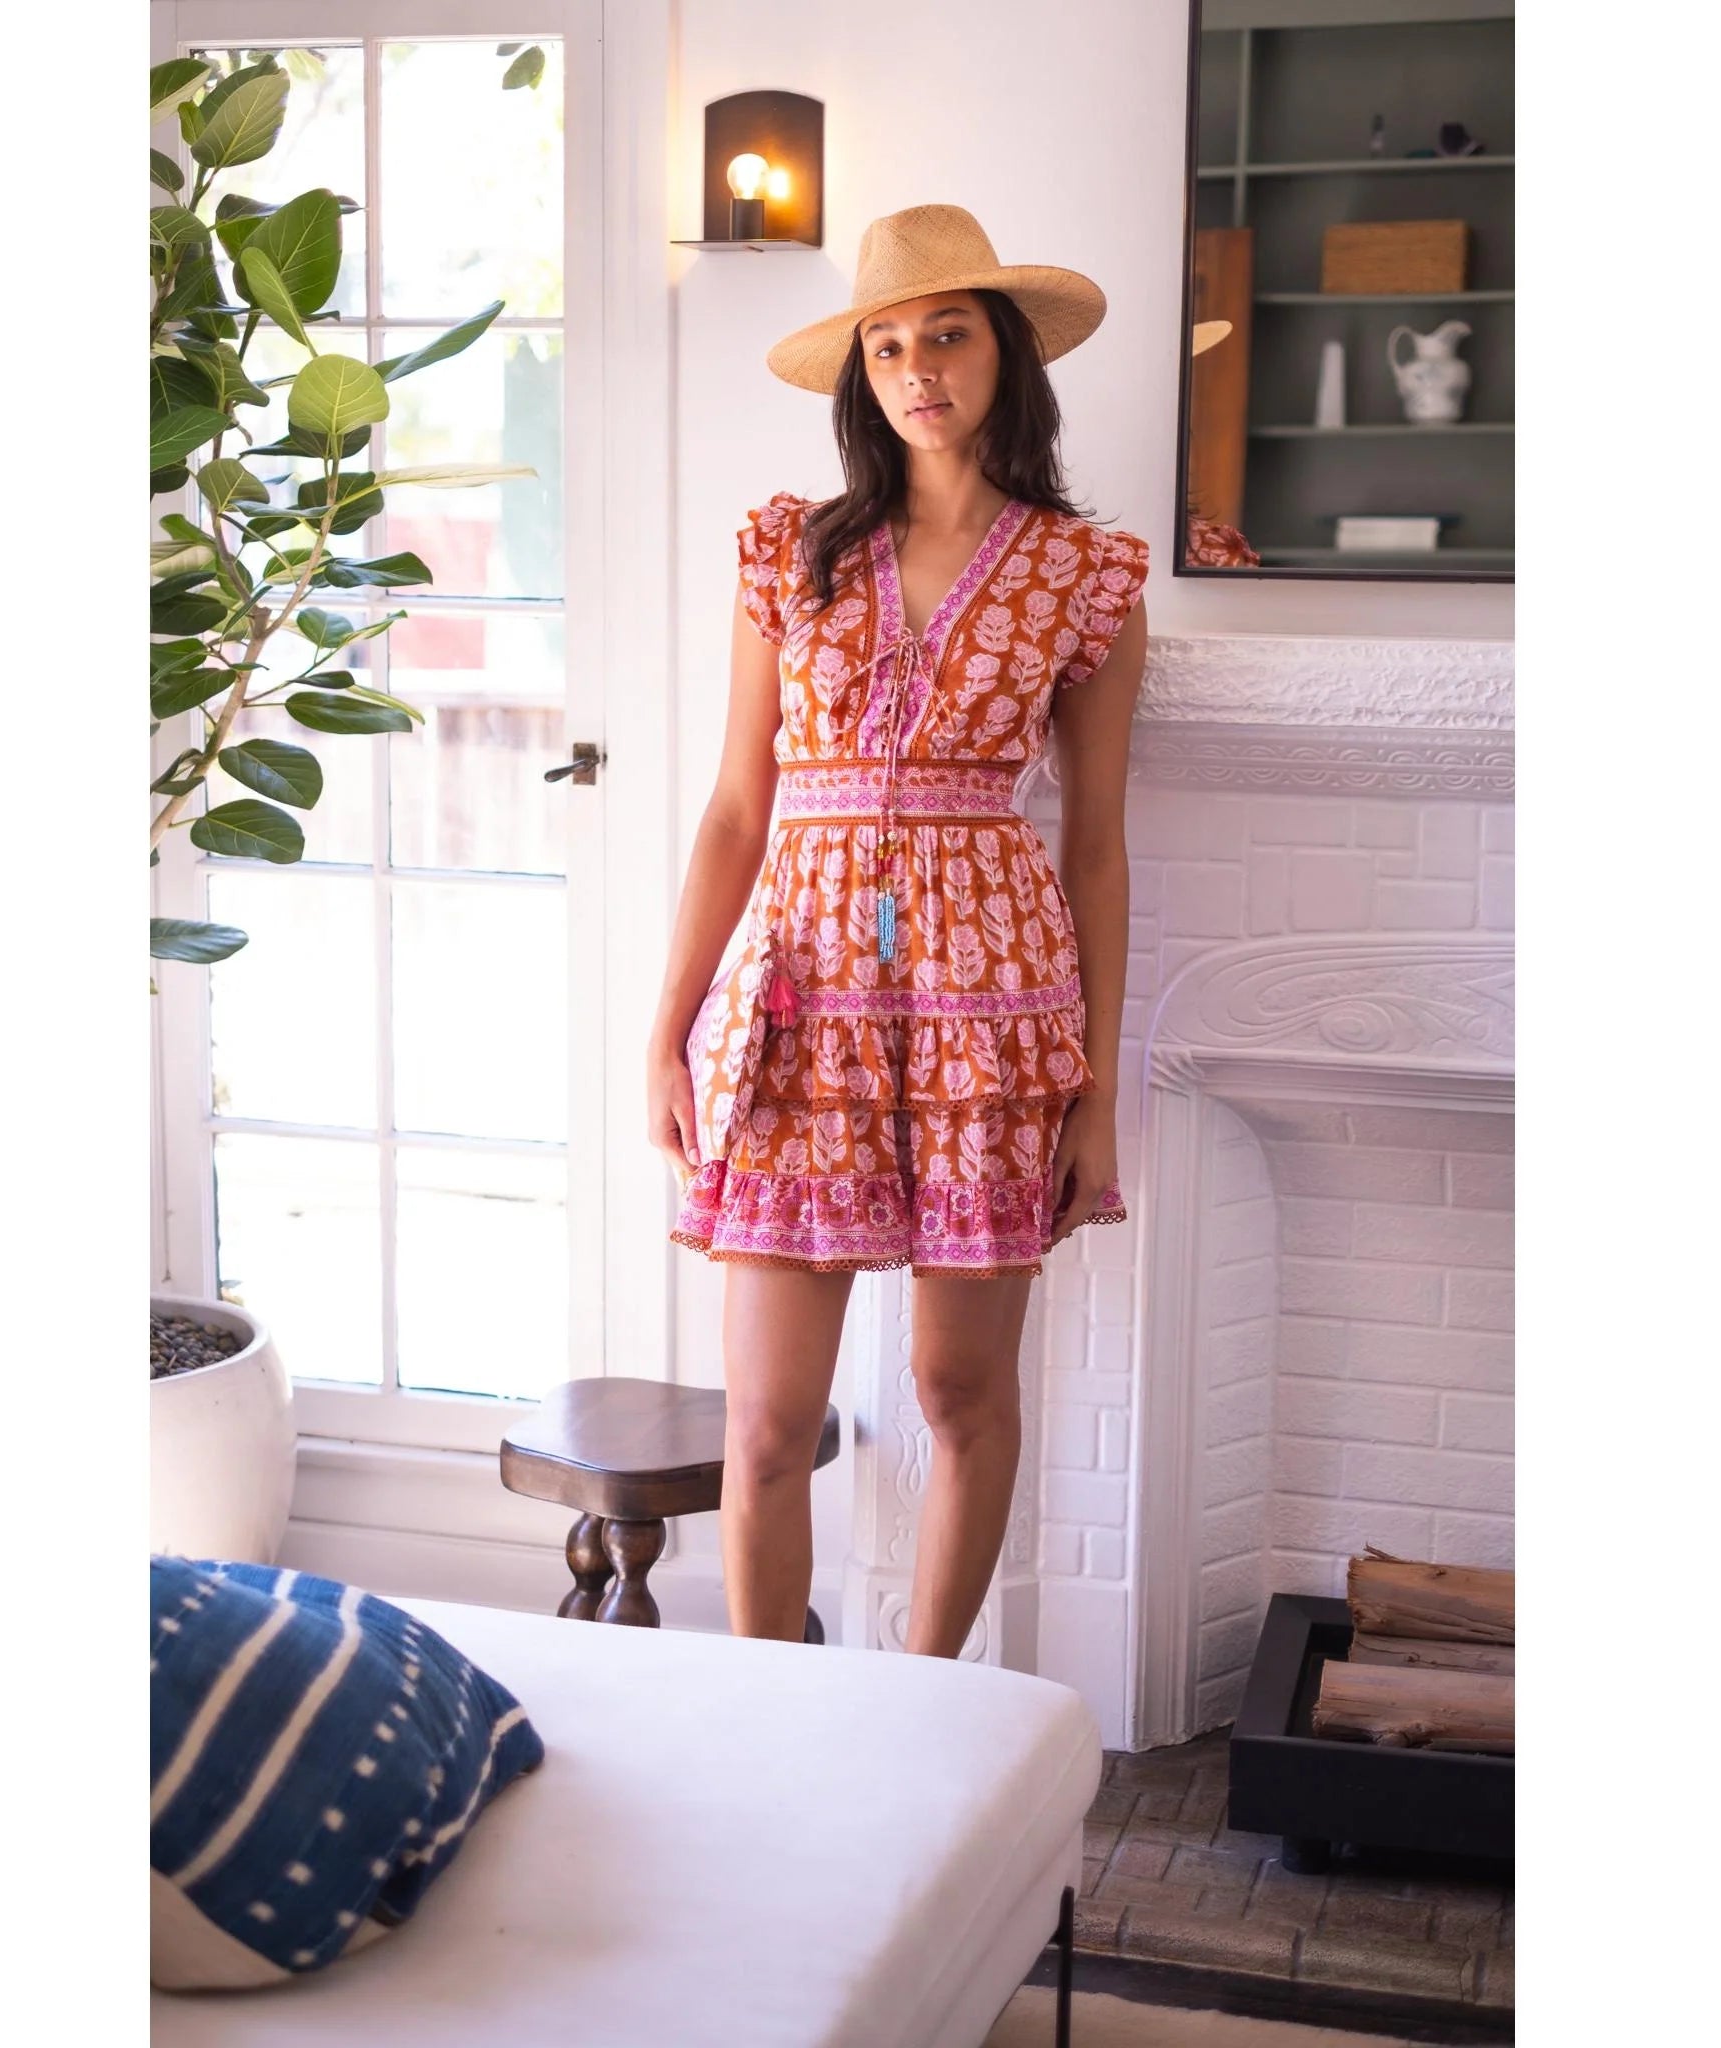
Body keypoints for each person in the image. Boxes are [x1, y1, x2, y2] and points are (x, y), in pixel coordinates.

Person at [645, 204, 1218, 1658]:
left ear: (1005, 354)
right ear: (864, 375)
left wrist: (1095, 1088)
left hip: (992, 1014)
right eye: (888, 345)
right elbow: (736, 809)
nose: (917, 369)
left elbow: (1096, 846)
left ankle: (922, 1703)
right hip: (803, 1010)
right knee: (769, 1420)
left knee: (962, 1396)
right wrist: (670, 1031)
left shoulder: (1088, 577)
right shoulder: (789, 551)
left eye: (947, 335)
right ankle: (774, 1710)